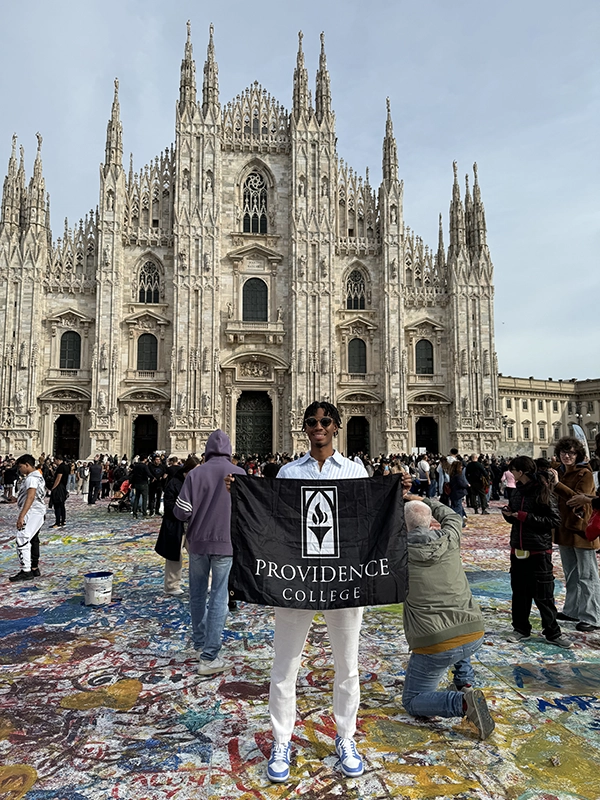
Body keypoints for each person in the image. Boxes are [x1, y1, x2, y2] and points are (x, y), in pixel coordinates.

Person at [265, 402, 370, 783]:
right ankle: (281, 740)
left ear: (337, 427)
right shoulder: (289, 472)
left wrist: (395, 494)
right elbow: (272, 522)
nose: (318, 427)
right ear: (305, 428)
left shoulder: (356, 472)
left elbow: (367, 522)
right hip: (299, 582)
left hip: (343, 581)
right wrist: (241, 493)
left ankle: (346, 738)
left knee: (347, 666)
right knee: (285, 665)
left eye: (325, 422)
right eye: (312, 422)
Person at [400, 495, 494, 739]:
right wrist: (425, 500)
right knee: (457, 630)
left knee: (413, 700)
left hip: (435, 642)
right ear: (432, 522)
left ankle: (462, 703)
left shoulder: (396, 556)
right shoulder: (451, 539)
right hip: (473, 631)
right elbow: (453, 517)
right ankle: (466, 681)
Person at [174, 430, 246, 673]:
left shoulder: (195, 473)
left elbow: (181, 511)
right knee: (219, 597)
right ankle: (209, 656)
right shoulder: (239, 474)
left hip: (198, 544)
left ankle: (199, 643)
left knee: (197, 594)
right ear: (228, 449)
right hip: (226, 544)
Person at [501, 456, 571, 647]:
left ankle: (552, 632)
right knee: (519, 592)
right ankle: (521, 628)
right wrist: (509, 515)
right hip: (518, 548)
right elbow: (516, 519)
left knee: (543, 593)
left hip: (539, 549)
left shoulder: (543, 492)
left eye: (513, 470)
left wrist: (524, 516)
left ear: (521, 472)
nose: (510, 474)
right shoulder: (516, 493)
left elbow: (554, 520)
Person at [551, 436, 600, 632]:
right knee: (571, 574)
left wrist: (556, 485)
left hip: (582, 530)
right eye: (564, 452)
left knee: (587, 575)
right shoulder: (561, 473)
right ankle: (572, 610)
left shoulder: (584, 474)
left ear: (578, 454)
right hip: (564, 529)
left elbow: (578, 500)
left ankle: (592, 615)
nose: (567, 456)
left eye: (571, 453)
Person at [155, 455, 200, 595]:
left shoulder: (199, 483)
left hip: (193, 525)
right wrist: (182, 511)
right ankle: (172, 586)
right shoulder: (174, 483)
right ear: (188, 470)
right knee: (174, 556)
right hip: (176, 525)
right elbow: (168, 503)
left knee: (200, 555)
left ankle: (205, 583)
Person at [9, 454, 47, 582]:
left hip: (33, 512)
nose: (20, 470)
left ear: (27, 465)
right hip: (38, 510)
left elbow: (31, 497)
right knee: (33, 539)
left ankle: (26, 570)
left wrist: (21, 516)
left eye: (20, 467)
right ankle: (34, 567)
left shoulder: (31, 478)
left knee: (22, 538)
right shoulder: (39, 476)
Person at [50, 456, 70, 528]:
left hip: (59, 488)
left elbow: (58, 478)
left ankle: (58, 522)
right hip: (63, 487)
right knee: (62, 505)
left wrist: (53, 488)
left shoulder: (61, 467)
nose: (54, 462)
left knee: (57, 505)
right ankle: (63, 520)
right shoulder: (66, 466)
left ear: (58, 460)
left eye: (55, 460)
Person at [448, 459, 469, 527]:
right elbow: (461, 484)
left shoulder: (452, 474)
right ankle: (457, 521)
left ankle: (463, 519)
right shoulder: (458, 475)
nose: (461, 467)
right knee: (458, 508)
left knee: (458, 506)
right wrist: (467, 485)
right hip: (458, 493)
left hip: (454, 493)